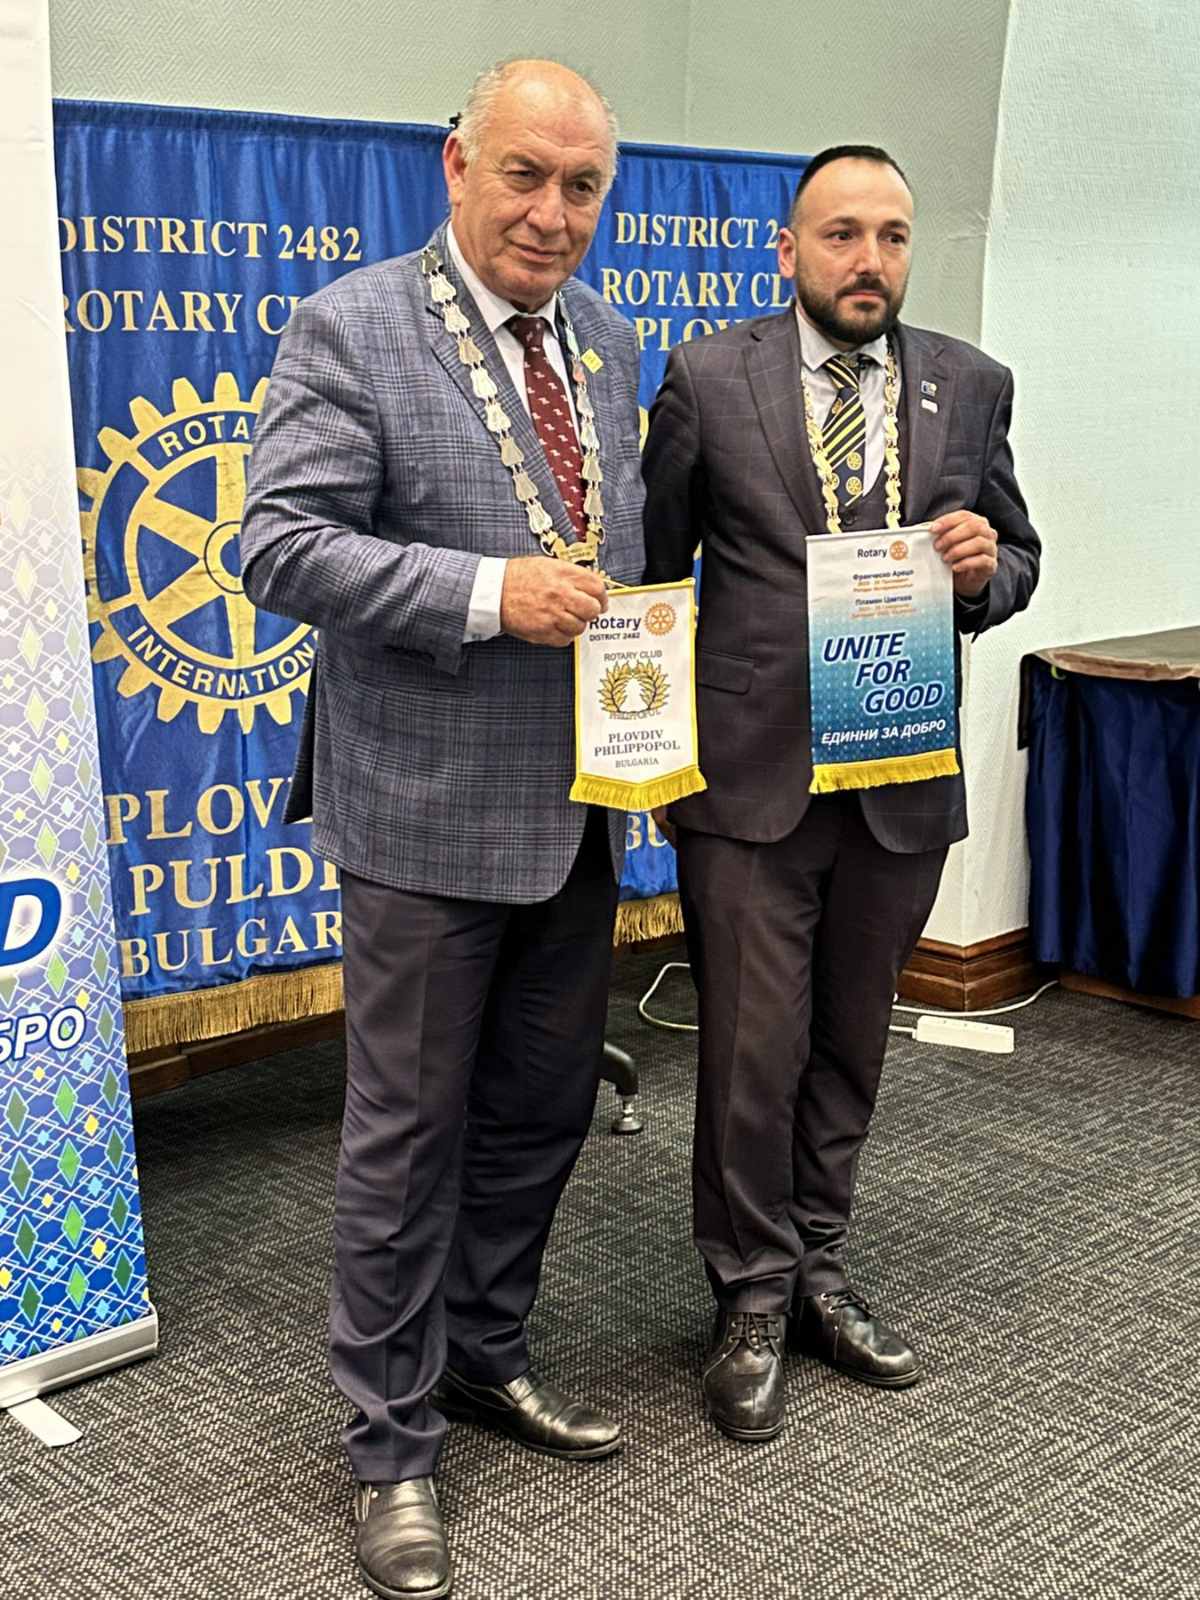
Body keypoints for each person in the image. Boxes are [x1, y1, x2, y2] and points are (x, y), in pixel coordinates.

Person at [242, 59, 644, 1599]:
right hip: (418, 813)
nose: (553, 213)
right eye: (526, 175)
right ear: (457, 164)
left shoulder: (608, 341)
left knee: (542, 1113)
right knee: (405, 1140)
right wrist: (486, 593)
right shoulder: (350, 326)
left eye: (583, 186)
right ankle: (389, 1448)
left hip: (579, 807)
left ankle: (481, 1353)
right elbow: (279, 545)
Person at [641, 145, 1039, 1442]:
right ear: (789, 249)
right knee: (752, 1054)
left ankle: (816, 1261)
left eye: (893, 236)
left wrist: (982, 572)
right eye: (842, 234)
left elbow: (1017, 561)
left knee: (851, 1043)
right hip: (750, 781)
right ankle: (750, 1296)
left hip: (900, 773)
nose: (870, 260)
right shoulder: (709, 377)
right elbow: (652, 574)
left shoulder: (969, 385)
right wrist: (646, 756)